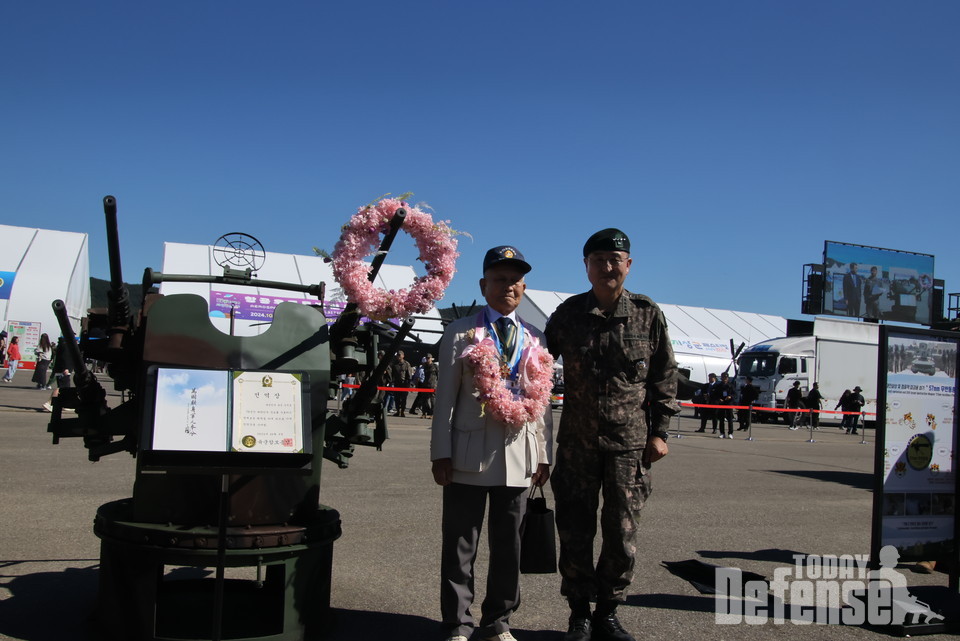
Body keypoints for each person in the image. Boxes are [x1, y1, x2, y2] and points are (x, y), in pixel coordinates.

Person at [544, 228, 679, 641]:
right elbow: (533, 366)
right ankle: (579, 613)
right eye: (598, 259)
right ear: (586, 266)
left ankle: (608, 611)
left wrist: (661, 432)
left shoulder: (646, 313)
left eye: (614, 259)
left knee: (622, 533)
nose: (607, 267)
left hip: (629, 447)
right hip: (577, 445)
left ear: (628, 265)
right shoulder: (567, 315)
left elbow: (664, 376)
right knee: (575, 529)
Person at [430, 245, 553, 641]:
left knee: (509, 550)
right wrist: (440, 453)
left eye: (516, 280)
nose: (509, 286)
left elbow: (543, 404)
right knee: (460, 546)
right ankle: (457, 625)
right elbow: (445, 398)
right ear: (484, 285)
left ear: (524, 287)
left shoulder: (535, 337)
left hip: (519, 456)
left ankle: (498, 622)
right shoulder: (461, 332)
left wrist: (544, 454)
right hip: (468, 456)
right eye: (500, 279)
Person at [390, 350, 414, 417]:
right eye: (397, 355)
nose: (398, 356)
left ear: (403, 356)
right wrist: (391, 382)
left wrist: (409, 384)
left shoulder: (406, 364)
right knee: (397, 398)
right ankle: (398, 411)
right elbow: (392, 374)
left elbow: (409, 375)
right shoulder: (394, 364)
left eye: (399, 355)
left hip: (404, 384)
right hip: (397, 383)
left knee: (403, 398)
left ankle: (402, 411)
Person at [716, 372, 735, 438]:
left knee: (730, 418)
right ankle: (722, 433)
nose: (724, 379)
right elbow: (716, 394)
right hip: (721, 403)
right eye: (723, 377)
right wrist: (719, 399)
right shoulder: (719, 386)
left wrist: (730, 396)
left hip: (728, 403)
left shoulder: (731, 385)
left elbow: (734, 394)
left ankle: (730, 433)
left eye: (726, 377)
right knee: (721, 419)